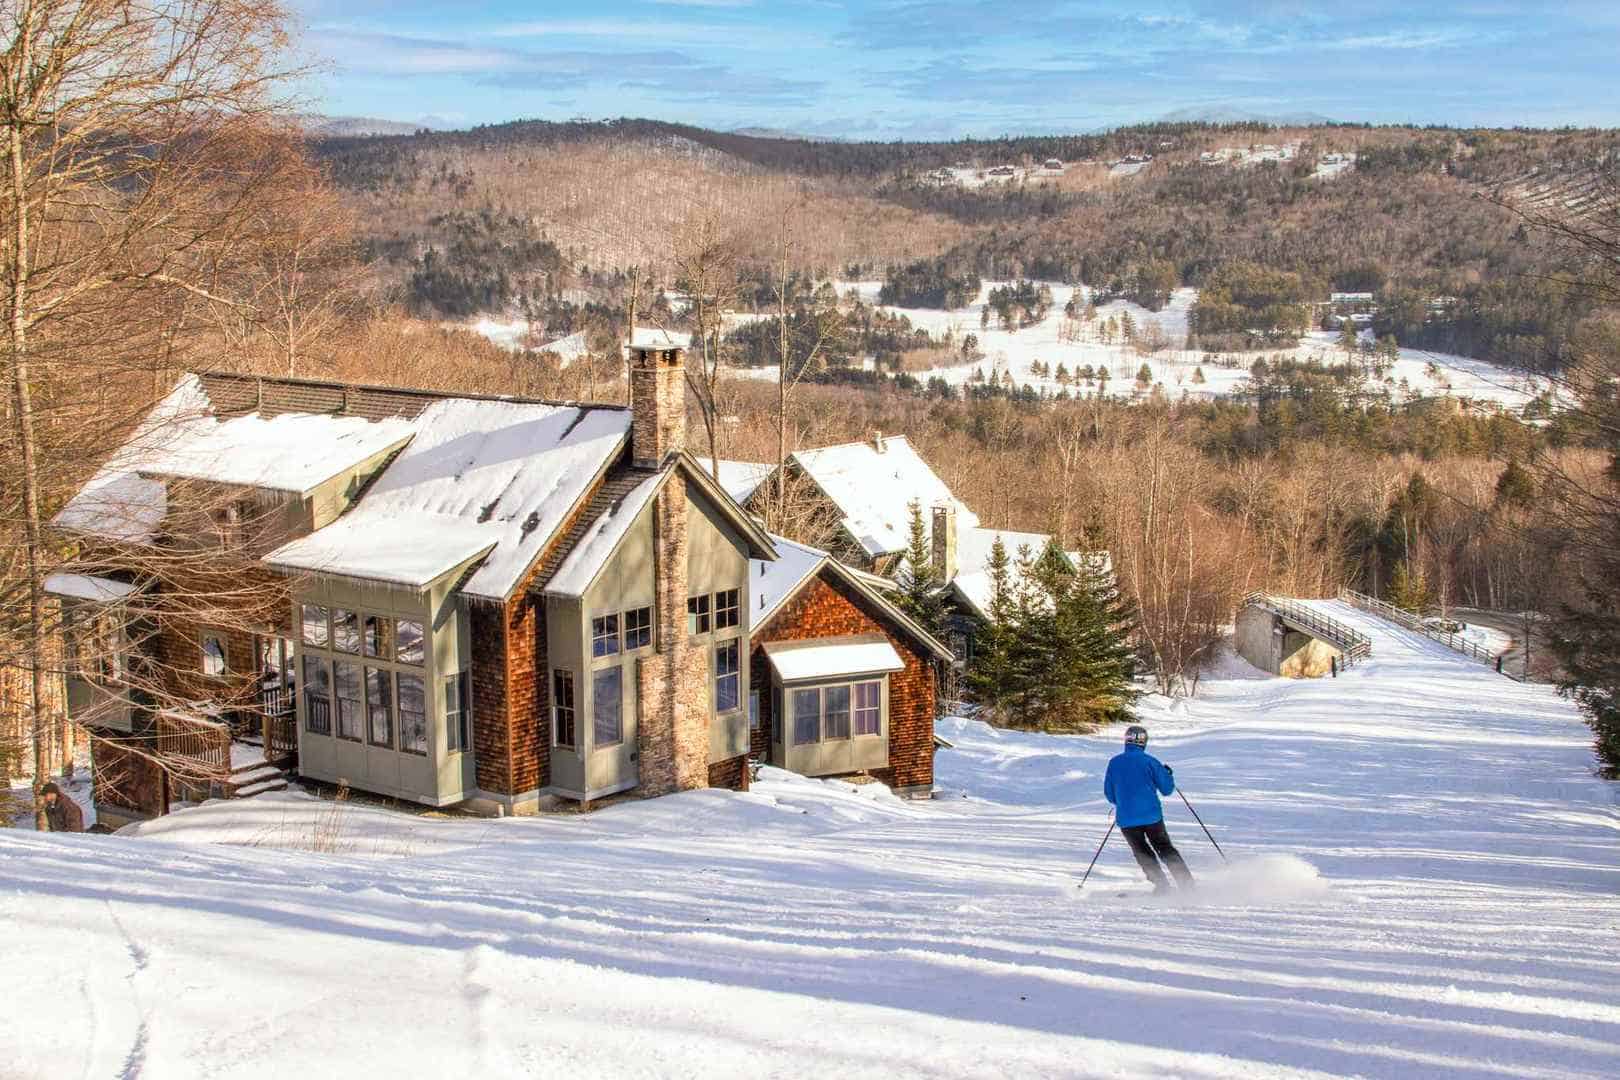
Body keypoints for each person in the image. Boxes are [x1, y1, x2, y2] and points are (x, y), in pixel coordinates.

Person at [1103, 725, 1193, 892]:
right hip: (1151, 816)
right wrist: (1167, 775)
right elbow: (1166, 789)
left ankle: (1161, 886)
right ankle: (1186, 885)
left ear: (1126, 741)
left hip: (1126, 818)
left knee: (1141, 852)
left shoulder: (1114, 763)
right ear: (1144, 742)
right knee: (1164, 848)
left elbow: (1109, 794)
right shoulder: (1150, 761)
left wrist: (1124, 802)